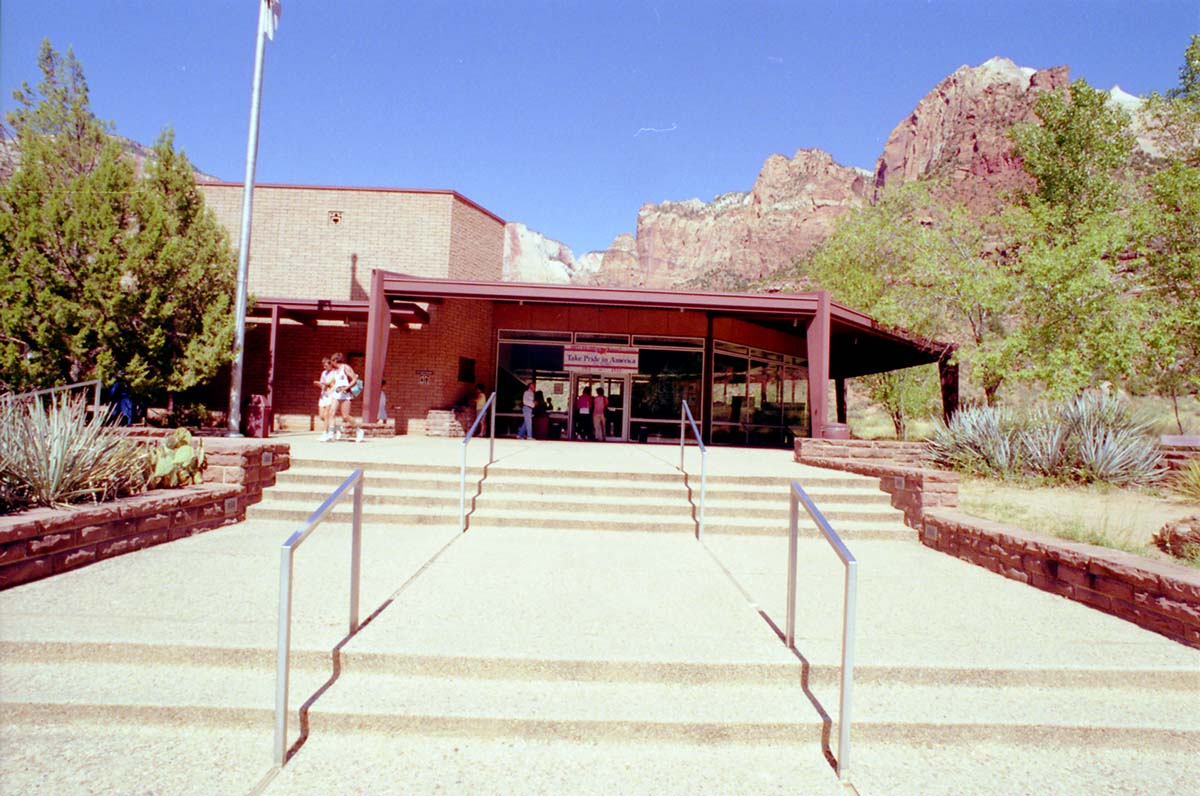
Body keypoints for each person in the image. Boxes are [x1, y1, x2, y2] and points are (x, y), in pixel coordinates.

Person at [325, 352, 359, 441]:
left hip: (346, 394)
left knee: (345, 416)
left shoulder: (346, 368)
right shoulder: (335, 371)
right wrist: (330, 391)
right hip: (337, 394)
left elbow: (354, 380)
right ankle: (331, 434)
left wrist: (346, 387)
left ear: (335, 360)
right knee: (331, 412)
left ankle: (359, 430)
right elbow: (336, 383)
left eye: (332, 361)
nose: (331, 363)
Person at [315, 358, 334, 434]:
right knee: (322, 416)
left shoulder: (334, 373)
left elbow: (332, 385)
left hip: (330, 395)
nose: (324, 367)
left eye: (326, 365)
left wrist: (327, 389)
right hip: (323, 396)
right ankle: (334, 427)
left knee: (327, 415)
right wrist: (318, 384)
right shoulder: (324, 373)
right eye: (323, 366)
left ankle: (325, 433)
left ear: (330, 365)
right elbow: (323, 385)